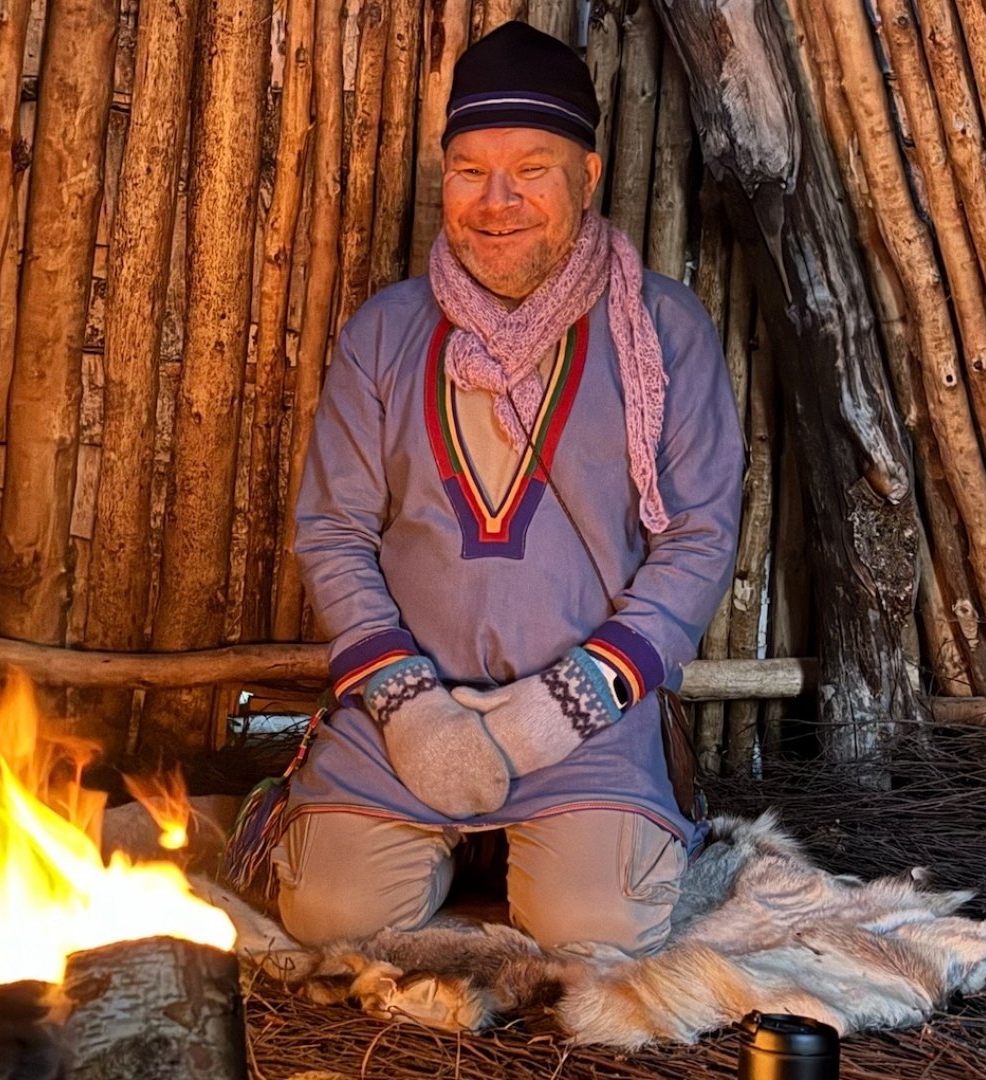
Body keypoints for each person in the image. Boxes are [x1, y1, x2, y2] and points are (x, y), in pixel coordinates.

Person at [275, 21, 744, 957]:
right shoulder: (387, 331)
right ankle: (454, 836)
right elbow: (331, 531)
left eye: (531, 168)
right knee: (328, 916)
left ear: (590, 174)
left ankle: (556, 842)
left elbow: (697, 538)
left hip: (588, 724)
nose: (496, 202)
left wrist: (556, 710)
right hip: (403, 717)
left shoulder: (662, 328)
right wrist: (411, 707)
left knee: (593, 928)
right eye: (467, 170)